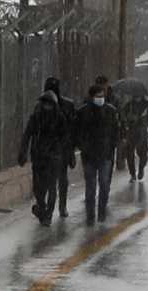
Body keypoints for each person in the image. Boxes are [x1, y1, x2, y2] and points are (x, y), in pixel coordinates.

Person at [21, 79, 75, 222]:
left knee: (53, 186)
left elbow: (67, 136)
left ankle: (49, 214)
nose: (47, 106)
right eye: (45, 103)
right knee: (39, 188)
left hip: (55, 157)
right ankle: (42, 208)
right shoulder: (37, 114)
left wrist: (68, 153)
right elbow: (28, 132)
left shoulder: (61, 116)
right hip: (39, 156)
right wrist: (23, 151)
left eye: (49, 104)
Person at [75, 77, 121, 225]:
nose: (100, 99)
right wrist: (83, 146)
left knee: (105, 184)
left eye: (102, 96)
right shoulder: (83, 112)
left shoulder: (110, 111)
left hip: (106, 155)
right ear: (91, 97)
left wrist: (114, 145)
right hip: (89, 156)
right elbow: (77, 133)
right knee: (90, 187)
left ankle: (101, 210)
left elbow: (116, 131)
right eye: (98, 96)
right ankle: (90, 215)